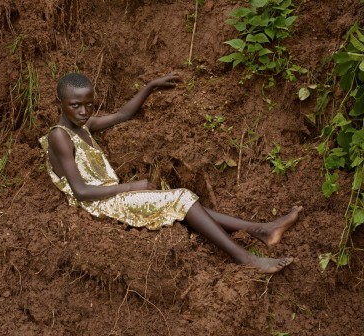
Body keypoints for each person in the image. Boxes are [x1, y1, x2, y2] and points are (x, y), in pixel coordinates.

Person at [39, 72, 302, 274]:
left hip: (110, 197)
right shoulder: (60, 137)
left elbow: (123, 113)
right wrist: (130, 187)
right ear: (60, 103)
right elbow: (81, 192)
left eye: (89, 105)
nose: (84, 112)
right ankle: (245, 258)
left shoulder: (83, 126)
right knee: (182, 197)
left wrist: (151, 85)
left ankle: (261, 230)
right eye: (76, 105)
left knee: (187, 206)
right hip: (99, 204)